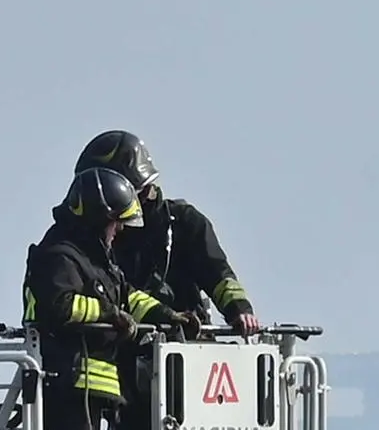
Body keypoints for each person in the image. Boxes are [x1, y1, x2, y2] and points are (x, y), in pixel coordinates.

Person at [22, 164, 166, 430]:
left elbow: (128, 298)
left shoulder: (92, 258)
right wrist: (108, 314)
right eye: (115, 224)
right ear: (97, 219)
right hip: (67, 385)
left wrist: (170, 314)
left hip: (90, 390)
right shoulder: (59, 256)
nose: (118, 232)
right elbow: (61, 308)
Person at [79, 129, 261, 333]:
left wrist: (239, 309)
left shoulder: (184, 222)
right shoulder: (89, 235)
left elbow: (218, 275)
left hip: (186, 345)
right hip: (117, 345)